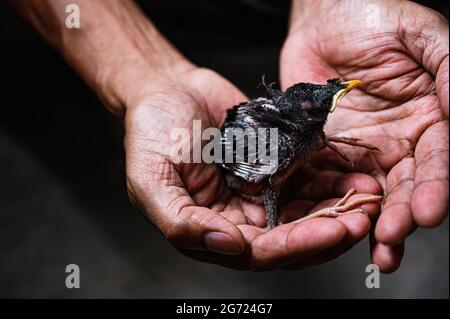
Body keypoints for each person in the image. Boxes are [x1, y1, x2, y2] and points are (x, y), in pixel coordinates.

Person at [10, 0, 448, 272]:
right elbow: (240, 164)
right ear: (301, 116)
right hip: (231, 150)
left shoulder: (307, 127)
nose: (340, 93)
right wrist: (144, 74)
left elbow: (313, 120)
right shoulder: (275, 143)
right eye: (325, 102)